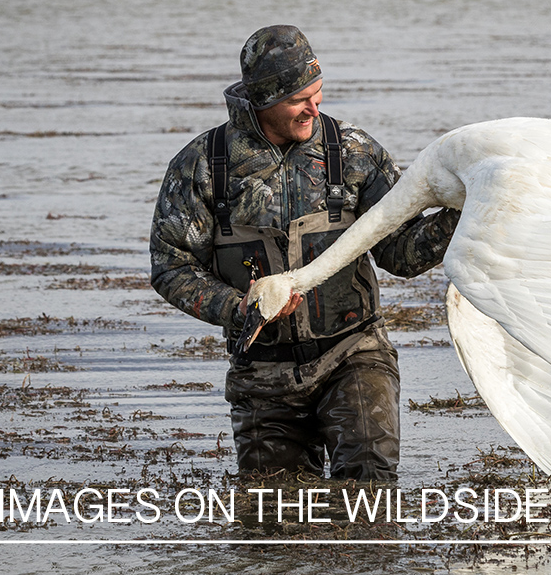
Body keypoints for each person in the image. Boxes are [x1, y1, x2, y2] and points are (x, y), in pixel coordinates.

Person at [150, 25, 458, 481]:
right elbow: (170, 266)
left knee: (370, 487)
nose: (315, 107)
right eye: (300, 99)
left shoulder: (353, 152)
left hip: (354, 355)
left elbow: (401, 254)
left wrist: (464, 211)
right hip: (262, 374)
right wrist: (239, 308)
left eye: (318, 92)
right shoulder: (203, 165)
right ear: (262, 100)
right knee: (272, 518)